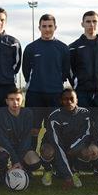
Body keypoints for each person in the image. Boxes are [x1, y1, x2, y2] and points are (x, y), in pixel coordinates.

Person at [22, 13, 70, 151]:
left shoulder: (63, 48)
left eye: (50, 26)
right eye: (44, 26)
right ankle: (30, 158)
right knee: (33, 129)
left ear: (55, 27)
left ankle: (49, 158)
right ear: (39, 27)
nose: (47, 29)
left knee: (53, 129)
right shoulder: (31, 48)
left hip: (55, 95)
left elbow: (65, 71)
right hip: (35, 95)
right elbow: (26, 71)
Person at [40, 88, 98, 189]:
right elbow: (57, 145)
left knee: (88, 152)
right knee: (47, 151)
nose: (69, 102)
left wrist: (73, 148)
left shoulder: (85, 114)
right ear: (61, 101)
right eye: (65, 99)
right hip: (55, 146)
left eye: (72, 99)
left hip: (73, 147)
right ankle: (48, 170)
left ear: (77, 100)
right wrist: (67, 178)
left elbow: (86, 135)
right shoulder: (54, 117)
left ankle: (75, 172)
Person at [0, 88, 41, 185]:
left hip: (22, 146)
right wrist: (15, 160)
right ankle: (3, 173)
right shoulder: (0, 114)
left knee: (35, 162)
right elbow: (3, 139)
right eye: (11, 99)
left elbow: (27, 138)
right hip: (5, 146)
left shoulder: (28, 113)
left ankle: (25, 170)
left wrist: (18, 161)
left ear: (22, 100)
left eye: (18, 99)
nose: (15, 102)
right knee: (0, 157)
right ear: (7, 101)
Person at [69, 11, 98, 108]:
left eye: (94, 21)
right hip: (81, 92)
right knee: (82, 122)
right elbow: (69, 69)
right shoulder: (74, 46)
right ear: (82, 24)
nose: (91, 24)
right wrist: (76, 84)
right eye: (88, 21)